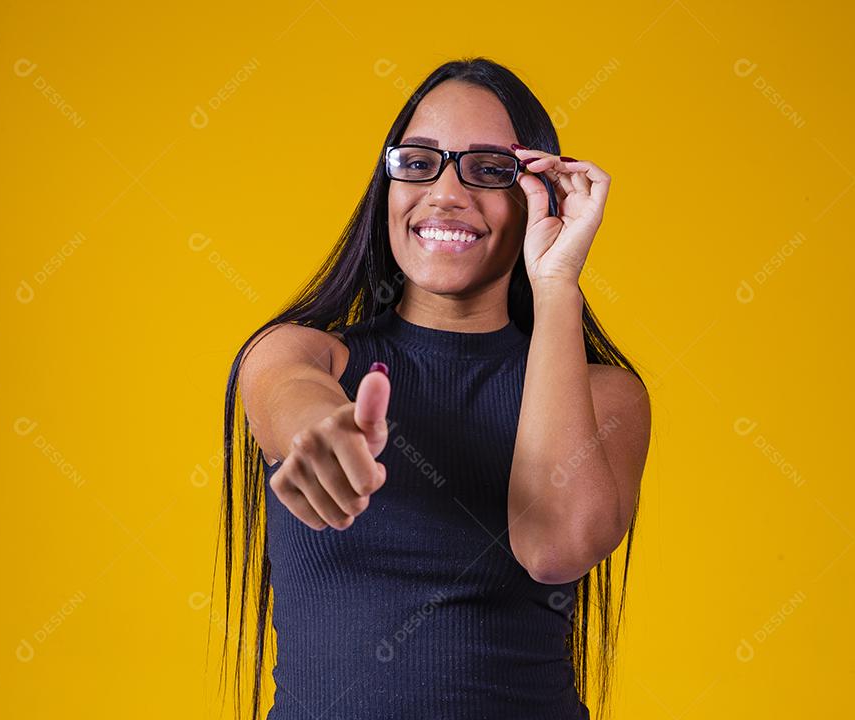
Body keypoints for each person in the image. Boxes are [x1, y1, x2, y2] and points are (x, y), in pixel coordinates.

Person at [215, 56, 652, 720]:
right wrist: (323, 431)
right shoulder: (306, 353)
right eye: (418, 164)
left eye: (487, 169)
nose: (446, 194)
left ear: (541, 193)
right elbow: (288, 396)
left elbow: (557, 547)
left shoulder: (607, 396)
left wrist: (557, 281)